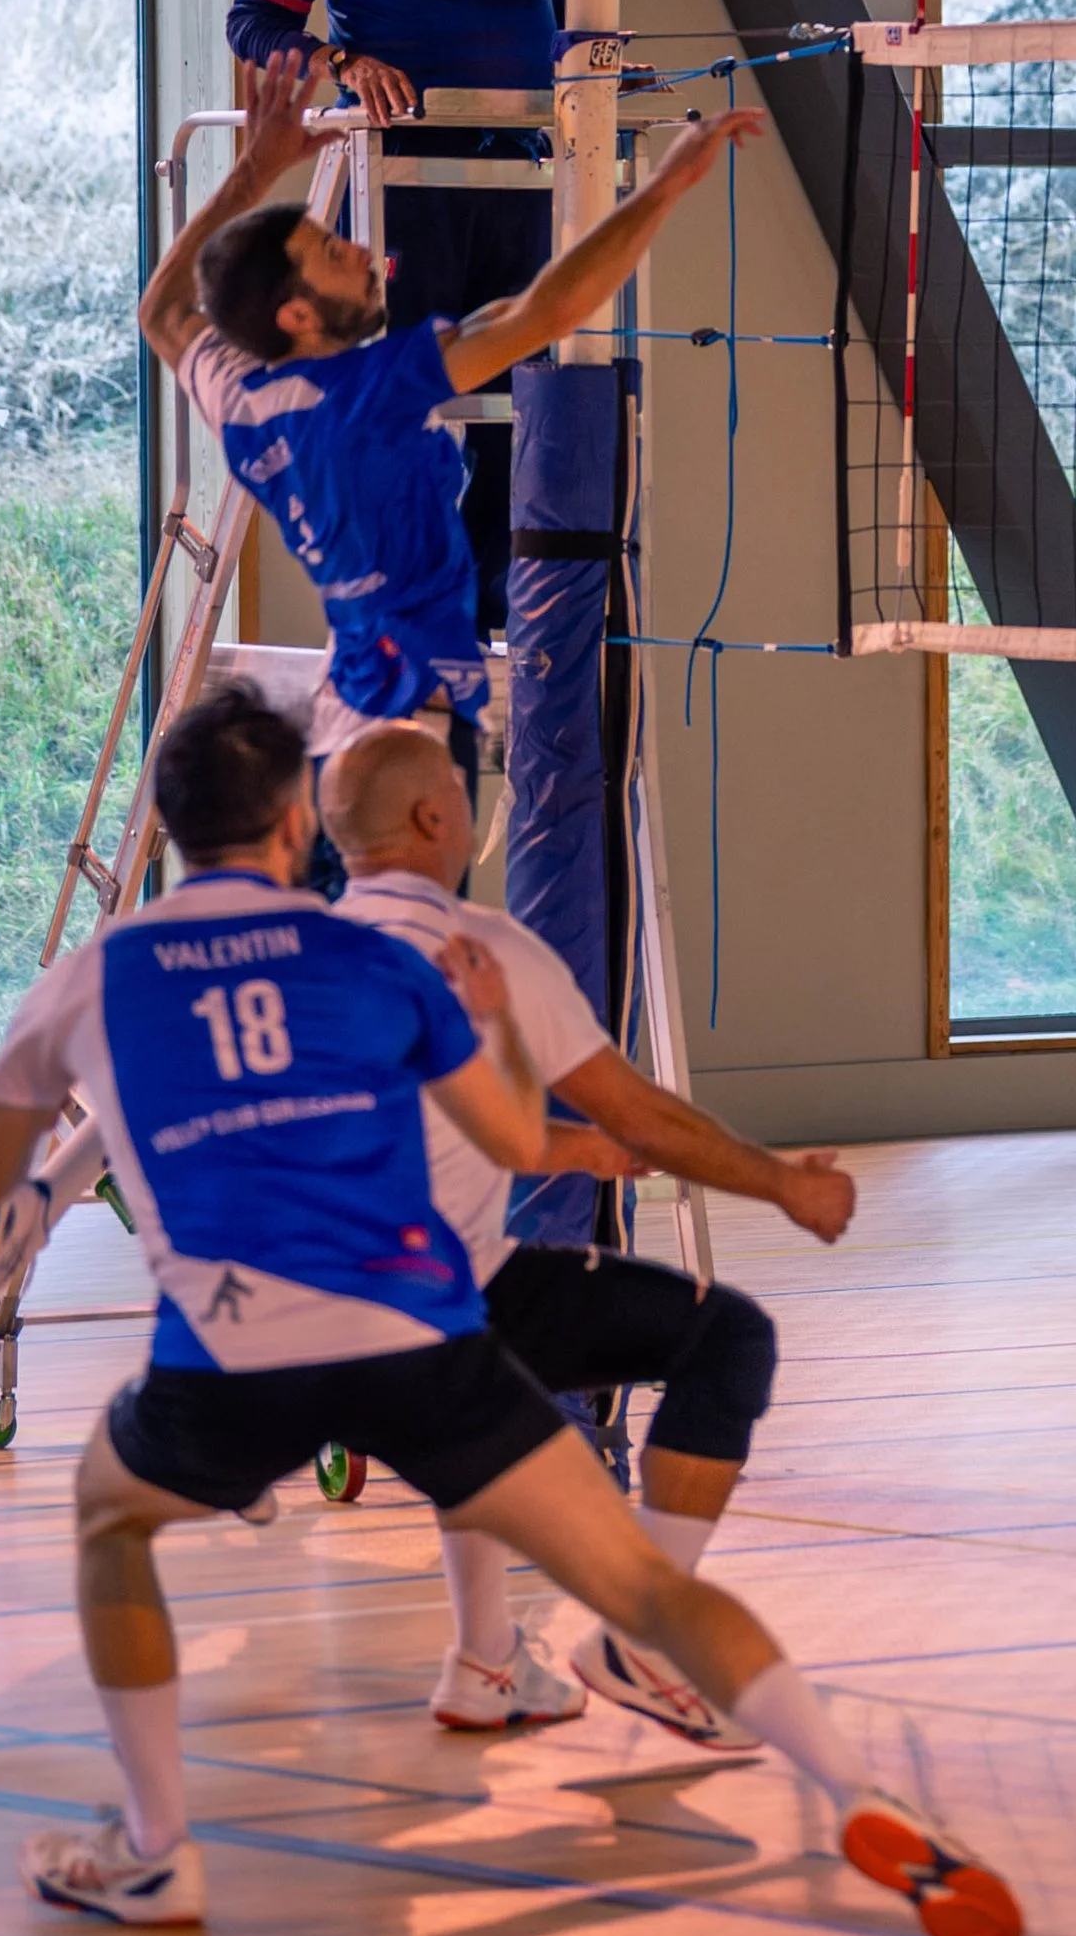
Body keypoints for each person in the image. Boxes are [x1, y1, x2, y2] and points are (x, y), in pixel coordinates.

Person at [0, 686, 1019, 1936]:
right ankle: (855, 1789)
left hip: (227, 1364)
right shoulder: (389, 963)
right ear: (296, 824)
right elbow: (517, 1140)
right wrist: (495, 1024)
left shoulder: (87, 979)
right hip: (421, 1340)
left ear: (176, 830)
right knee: (640, 1587)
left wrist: (17, 1208)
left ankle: (155, 1846)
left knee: (110, 1517)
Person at [321, 721, 856, 1742]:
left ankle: (485, 1662)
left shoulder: (301, 961)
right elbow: (642, 1113)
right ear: (435, 817)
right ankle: (643, 1638)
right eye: (465, 793)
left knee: (486, 1396)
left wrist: (574, 1151)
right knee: (727, 1338)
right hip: (439, 1302)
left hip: (299, 1321)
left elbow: (422, 1119)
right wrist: (785, 1185)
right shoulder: (482, 951)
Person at [137, 52, 762, 809]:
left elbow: (160, 312)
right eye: (333, 254)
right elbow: (547, 312)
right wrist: (669, 182)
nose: (360, 252)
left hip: (354, 720)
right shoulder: (367, 394)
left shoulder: (240, 398)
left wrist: (255, 171)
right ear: (296, 315)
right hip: (405, 742)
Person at [229, 0, 562, 630]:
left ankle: (493, 609)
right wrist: (343, 60)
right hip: (406, 175)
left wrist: (590, 63)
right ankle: (410, 599)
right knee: (412, 398)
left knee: (522, 391)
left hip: (520, 165)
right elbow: (254, 20)